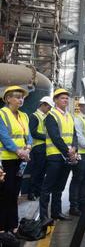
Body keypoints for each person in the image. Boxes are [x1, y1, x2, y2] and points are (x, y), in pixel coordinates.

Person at [40, 88, 78, 222]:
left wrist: (74, 148)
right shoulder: (51, 116)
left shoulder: (69, 116)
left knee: (60, 186)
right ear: (55, 100)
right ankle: (44, 217)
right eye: (62, 98)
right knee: (47, 187)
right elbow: (55, 137)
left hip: (67, 156)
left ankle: (57, 212)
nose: (65, 100)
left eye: (67, 98)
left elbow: (74, 135)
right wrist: (69, 152)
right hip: (55, 156)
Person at [0, 86, 32, 234]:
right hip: (6, 160)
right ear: (8, 99)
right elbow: (4, 137)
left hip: (20, 160)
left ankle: (13, 225)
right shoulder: (2, 114)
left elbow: (28, 135)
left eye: (22, 97)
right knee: (5, 193)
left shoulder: (24, 116)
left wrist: (28, 148)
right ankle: (2, 226)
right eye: (17, 97)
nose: (21, 99)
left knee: (14, 193)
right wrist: (19, 151)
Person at [24, 96, 54, 200]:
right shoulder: (34, 116)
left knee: (42, 171)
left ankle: (38, 191)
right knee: (36, 171)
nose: (49, 109)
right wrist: (48, 137)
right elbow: (33, 132)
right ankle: (31, 193)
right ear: (43, 105)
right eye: (49, 107)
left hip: (45, 147)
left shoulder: (47, 116)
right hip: (38, 148)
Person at [69, 97, 85, 216]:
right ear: (82, 106)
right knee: (78, 180)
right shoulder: (78, 119)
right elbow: (79, 136)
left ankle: (83, 205)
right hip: (81, 153)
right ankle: (74, 207)